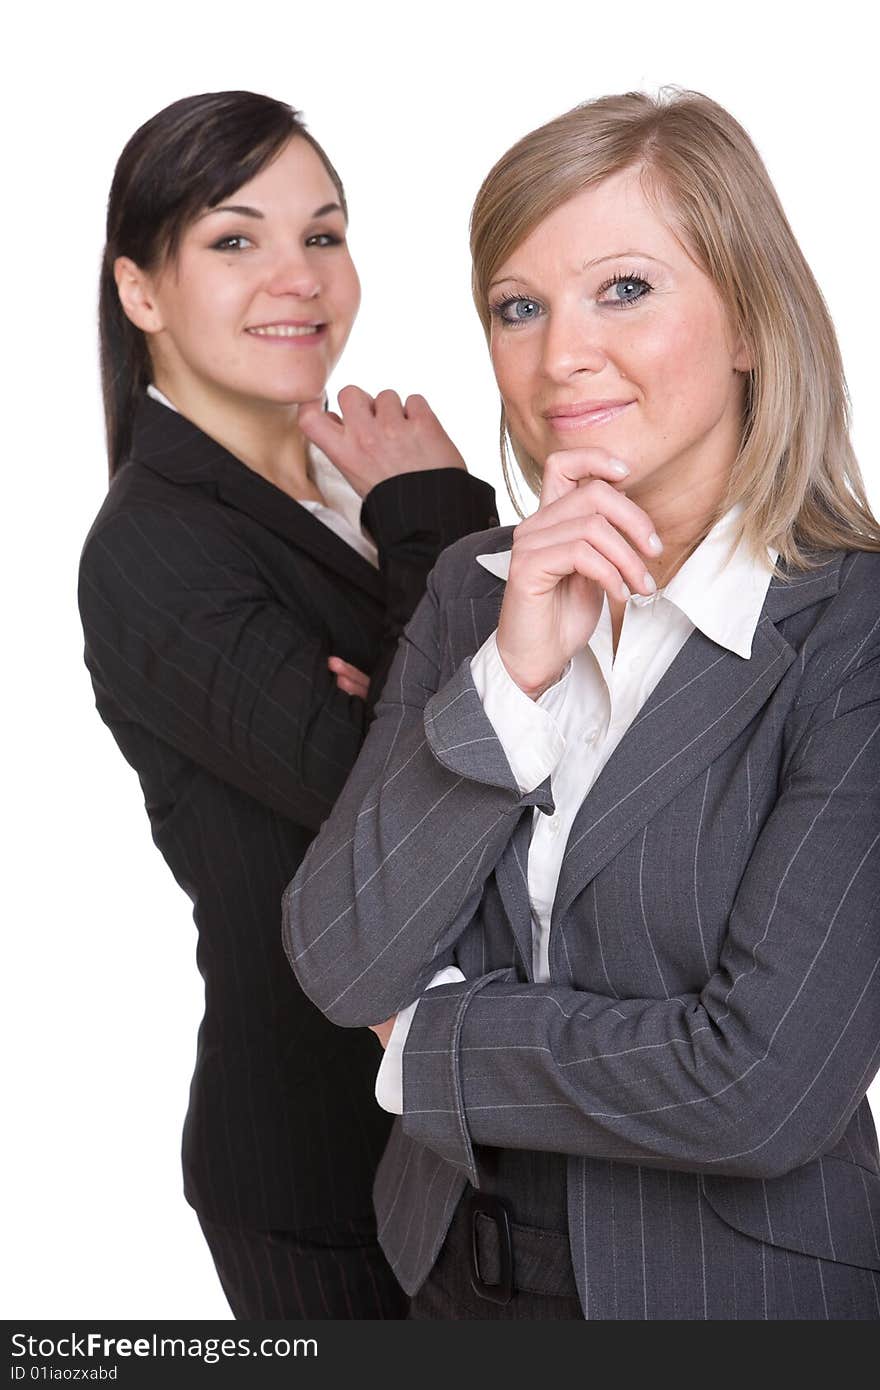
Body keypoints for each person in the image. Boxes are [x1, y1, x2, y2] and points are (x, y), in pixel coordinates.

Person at [283, 89, 880, 1319]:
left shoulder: (853, 635)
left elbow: (761, 1085)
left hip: (727, 1300)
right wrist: (513, 677)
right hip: (444, 1270)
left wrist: (434, 1042)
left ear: (750, 322)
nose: (559, 355)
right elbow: (346, 963)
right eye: (519, 307)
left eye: (623, 288)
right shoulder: (473, 588)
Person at [77, 90, 497, 1320]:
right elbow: (398, 823)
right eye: (234, 238)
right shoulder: (153, 550)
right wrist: (435, 527)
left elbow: (517, 743)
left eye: (324, 233)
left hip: (483, 1123)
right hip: (320, 1165)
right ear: (141, 291)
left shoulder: (342, 480)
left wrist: (410, 578)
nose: (297, 276)